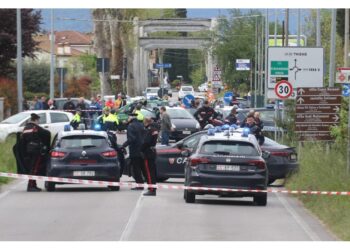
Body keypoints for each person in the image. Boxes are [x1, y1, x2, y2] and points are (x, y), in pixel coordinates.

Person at [18, 113, 51, 191]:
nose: (38, 122)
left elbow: (23, 140)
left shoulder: (26, 128)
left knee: (32, 168)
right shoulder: (36, 128)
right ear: (36, 120)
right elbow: (47, 133)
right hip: (36, 151)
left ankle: (34, 185)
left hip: (28, 151)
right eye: (38, 120)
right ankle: (31, 186)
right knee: (34, 169)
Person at [122, 113, 146, 190]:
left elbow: (131, 139)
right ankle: (148, 184)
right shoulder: (141, 125)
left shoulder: (131, 126)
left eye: (128, 117)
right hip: (143, 150)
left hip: (135, 150)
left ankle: (139, 185)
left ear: (131, 118)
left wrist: (123, 145)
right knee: (143, 168)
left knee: (136, 168)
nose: (127, 119)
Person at [141, 117, 159, 196]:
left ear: (146, 123)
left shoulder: (149, 130)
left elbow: (147, 142)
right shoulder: (155, 129)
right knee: (153, 172)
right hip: (153, 152)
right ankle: (153, 187)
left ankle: (151, 189)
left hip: (148, 152)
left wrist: (141, 149)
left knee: (149, 172)